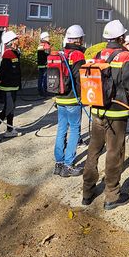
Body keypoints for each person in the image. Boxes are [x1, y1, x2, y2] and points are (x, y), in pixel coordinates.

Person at [82, 20, 129, 210]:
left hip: (97, 110)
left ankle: (87, 192)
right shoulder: (125, 55)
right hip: (117, 110)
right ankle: (112, 196)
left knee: (94, 150)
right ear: (121, 37)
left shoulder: (98, 54)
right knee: (114, 151)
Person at [54, 24, 87, 178]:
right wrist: (84, 96)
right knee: (74, 130)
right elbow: (80, 79)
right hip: (73, 99)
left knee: (61, 129)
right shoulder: (77, 55)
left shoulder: (61, 53)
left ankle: (58, 163)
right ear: (79, 39)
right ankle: (68, 164)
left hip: (59, 97)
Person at [0, 30, 22, 142]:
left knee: (11, 109)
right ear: (12, 41)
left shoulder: (14, 52)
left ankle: (9, 130)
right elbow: (3, 69)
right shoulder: (8, 54)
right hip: (8, 86)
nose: (19, 39)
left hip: (13, 86)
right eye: (17, 38)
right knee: (7, 108)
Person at [37, 31, 51, 96]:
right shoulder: (46, 45)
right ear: (44, 38)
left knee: (40, 77)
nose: (49, 38)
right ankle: (44, 91)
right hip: (45, 64)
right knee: (45, 78)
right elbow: (47, 55)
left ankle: (40, 91)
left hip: (40, 64)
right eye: (48, 37)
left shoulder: (40, 45)